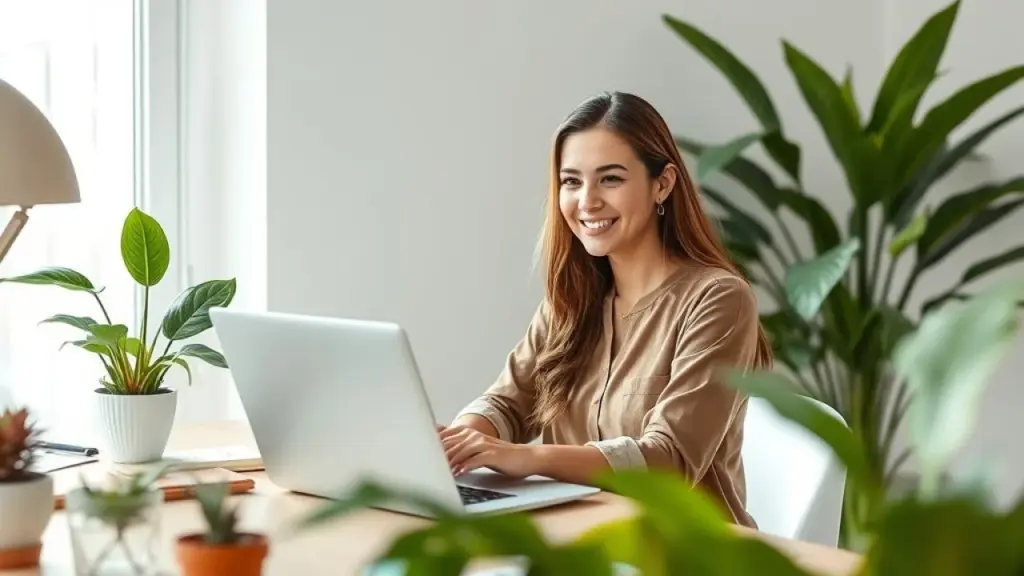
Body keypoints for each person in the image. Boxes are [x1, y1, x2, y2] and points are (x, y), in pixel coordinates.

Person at [438, 91, 771, 528]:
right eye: (571, 182)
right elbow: (508, 402)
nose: (587, 201)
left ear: (663, 184)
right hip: (581, 544)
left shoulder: (717, 300)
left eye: (610, 179)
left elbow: (668, 460)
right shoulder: (572, 301)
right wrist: (460, 442)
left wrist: (526, 458)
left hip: (687, 553)